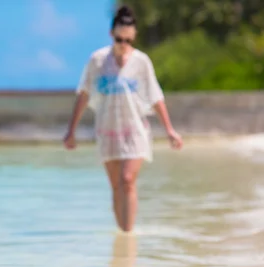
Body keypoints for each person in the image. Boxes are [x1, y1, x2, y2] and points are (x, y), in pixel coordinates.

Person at [63, 5, 183, 233]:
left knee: (127, 180)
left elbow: (155, 96)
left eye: (128, 40)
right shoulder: (97, 60)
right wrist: (71, 130)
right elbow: (84, 94)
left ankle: (128, 234)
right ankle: (122, 238)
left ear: (134, 36)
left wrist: (170, 130)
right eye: (119, 39)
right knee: (116, 186)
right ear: (111, 35)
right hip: (107, 130)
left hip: (135, 130)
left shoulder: (141, 62)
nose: (123, 44)